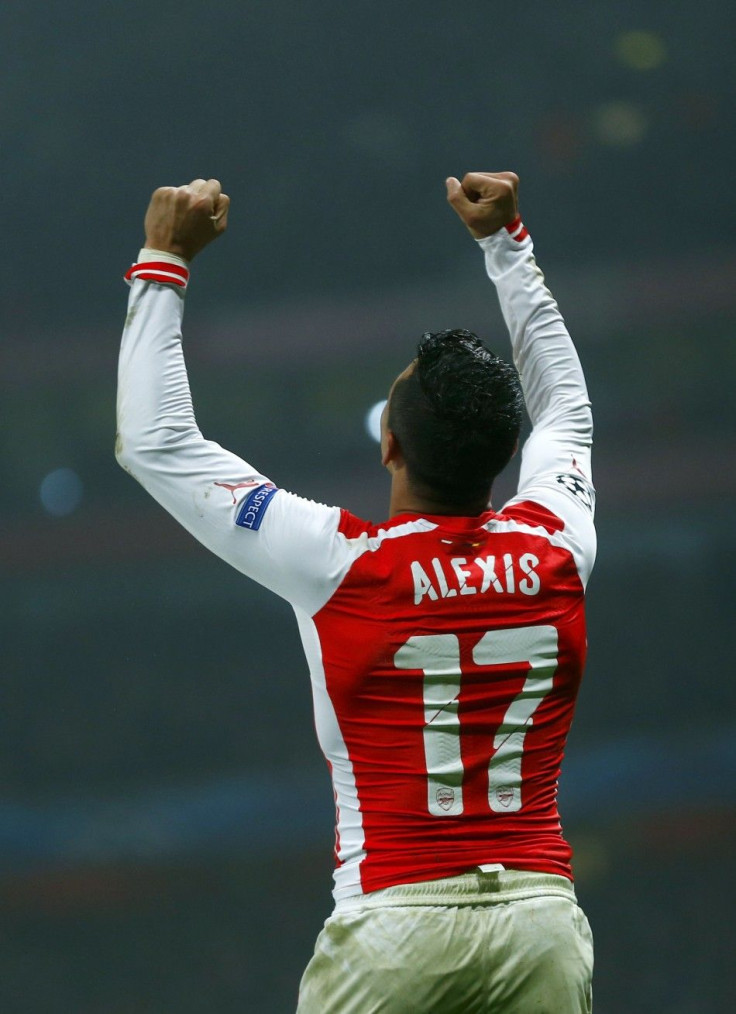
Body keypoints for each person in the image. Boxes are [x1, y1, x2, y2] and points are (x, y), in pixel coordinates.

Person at [116, 172, 596, 1013]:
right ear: (502, 455)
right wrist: (507, 245)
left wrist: (165, 260)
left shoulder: (340, 564)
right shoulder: (558, 541)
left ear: (391, 453)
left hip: (396, 927)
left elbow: (157, 443)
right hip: (541, 923)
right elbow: (567, 413)